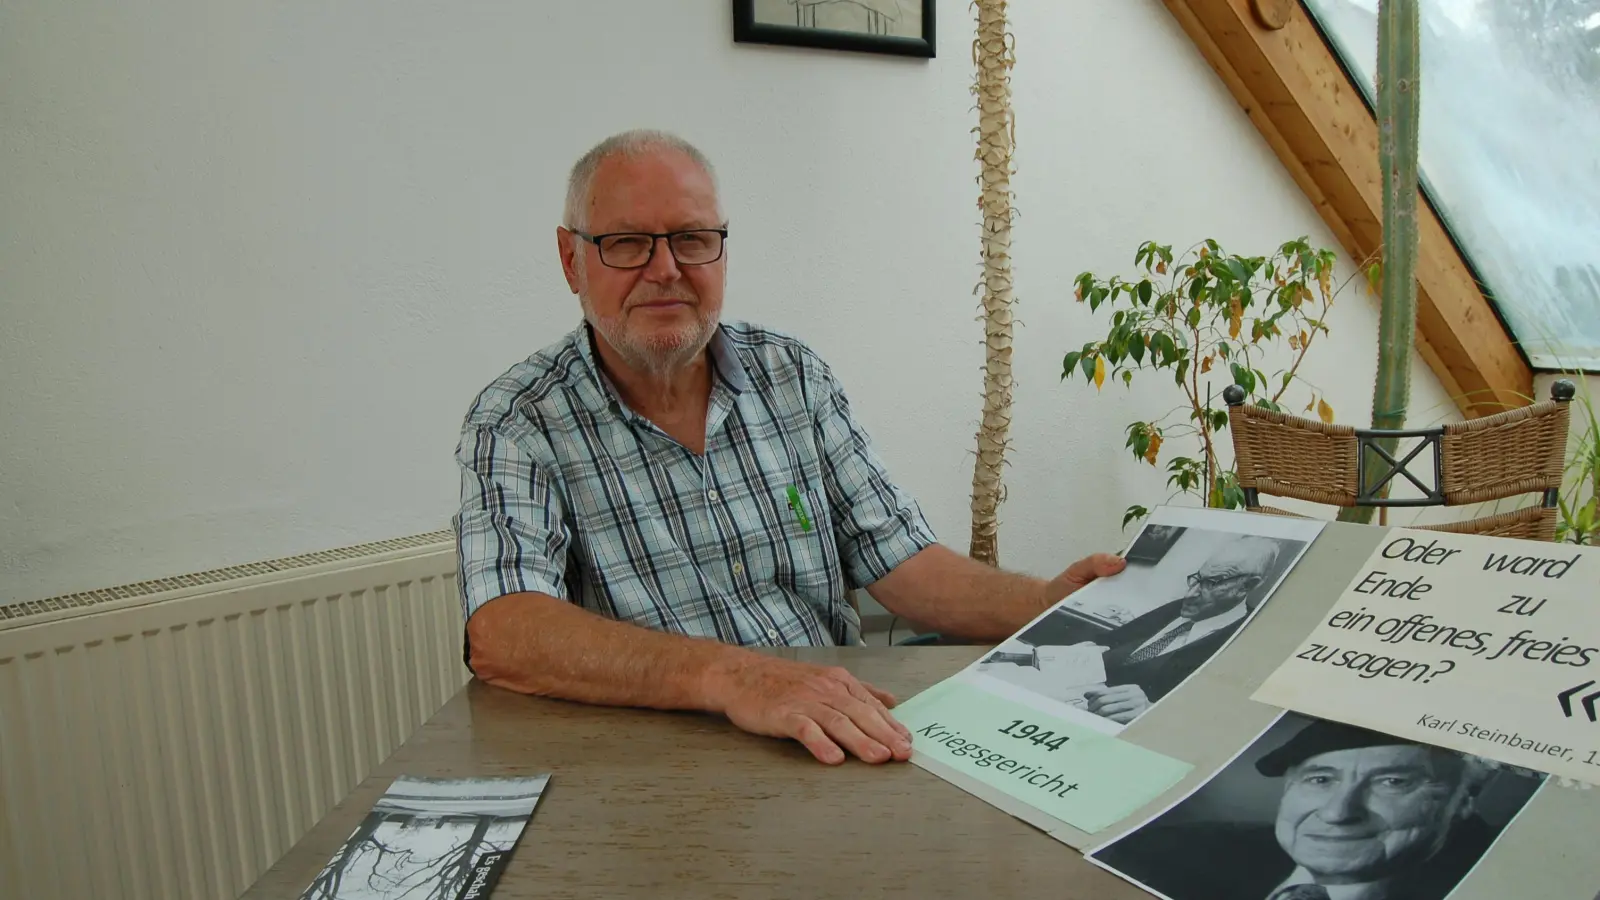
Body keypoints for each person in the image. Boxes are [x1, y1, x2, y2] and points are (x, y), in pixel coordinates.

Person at [452, 128, 1124, 767]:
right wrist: (736, 676)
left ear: (722, 249)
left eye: (692, 239)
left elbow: (901, 558)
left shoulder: (792, 375)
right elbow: (504, 633)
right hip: (656, 769)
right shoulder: (517, 420)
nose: (666, 270)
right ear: (572, 260)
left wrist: (1043, 605)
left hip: (838, 734)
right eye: (627, 244)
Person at [1092, 718, 1507, 900]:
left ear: (1465, 797)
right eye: (1320, 779)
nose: (1338, 812)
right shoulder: (1162, 851)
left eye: (1392, 782)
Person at [988, 536, 1281, 723]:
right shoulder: (1178, 607)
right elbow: (1106, 643)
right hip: (1061, 709)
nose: (1192, 593)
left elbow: (1215, 721)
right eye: (1197, 578)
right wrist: (1034, 655)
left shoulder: (1248, 641)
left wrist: (1150, 710)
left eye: (1212, 583)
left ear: (1249, 585)